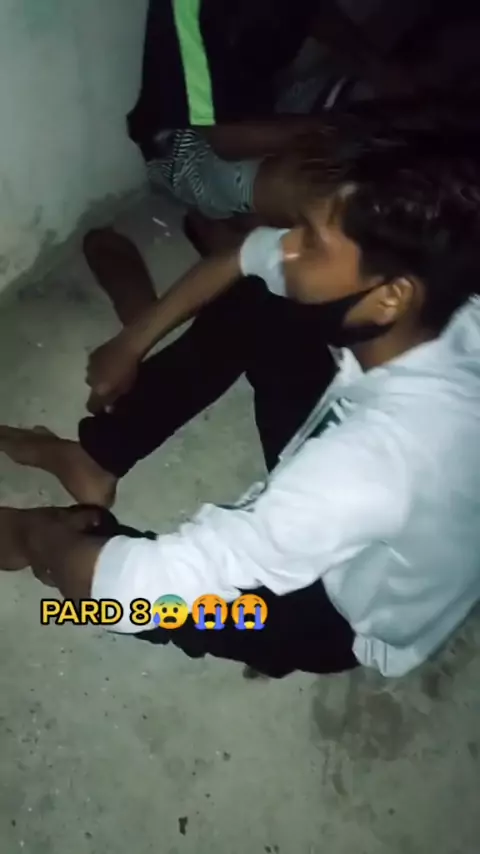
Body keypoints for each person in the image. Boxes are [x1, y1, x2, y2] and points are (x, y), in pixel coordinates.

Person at [2, 134, 480, 680]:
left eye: (312, 242)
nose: (287, 245)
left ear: (392, 296)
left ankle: (27, 544)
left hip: (339, 619)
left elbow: (138, 590)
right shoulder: (451, 306)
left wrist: (47, 542)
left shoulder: (365, 470)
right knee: (267, 298)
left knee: (137, 602)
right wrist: (133, 342)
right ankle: (97, 458)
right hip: (383, 479)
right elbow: (245, 257)